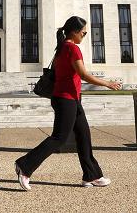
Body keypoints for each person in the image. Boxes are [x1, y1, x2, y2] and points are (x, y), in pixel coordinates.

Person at [14, 15, 122, 191]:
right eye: (84, 33)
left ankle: (91, 175)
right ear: (74, 32)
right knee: (59, 138)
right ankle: (25, 166)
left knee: (84, 135)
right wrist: (107, 83)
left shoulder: (62, 47)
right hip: (66, 99)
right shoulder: (72, 49)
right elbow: (83, 74)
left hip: (70, 99)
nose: (84, 36)